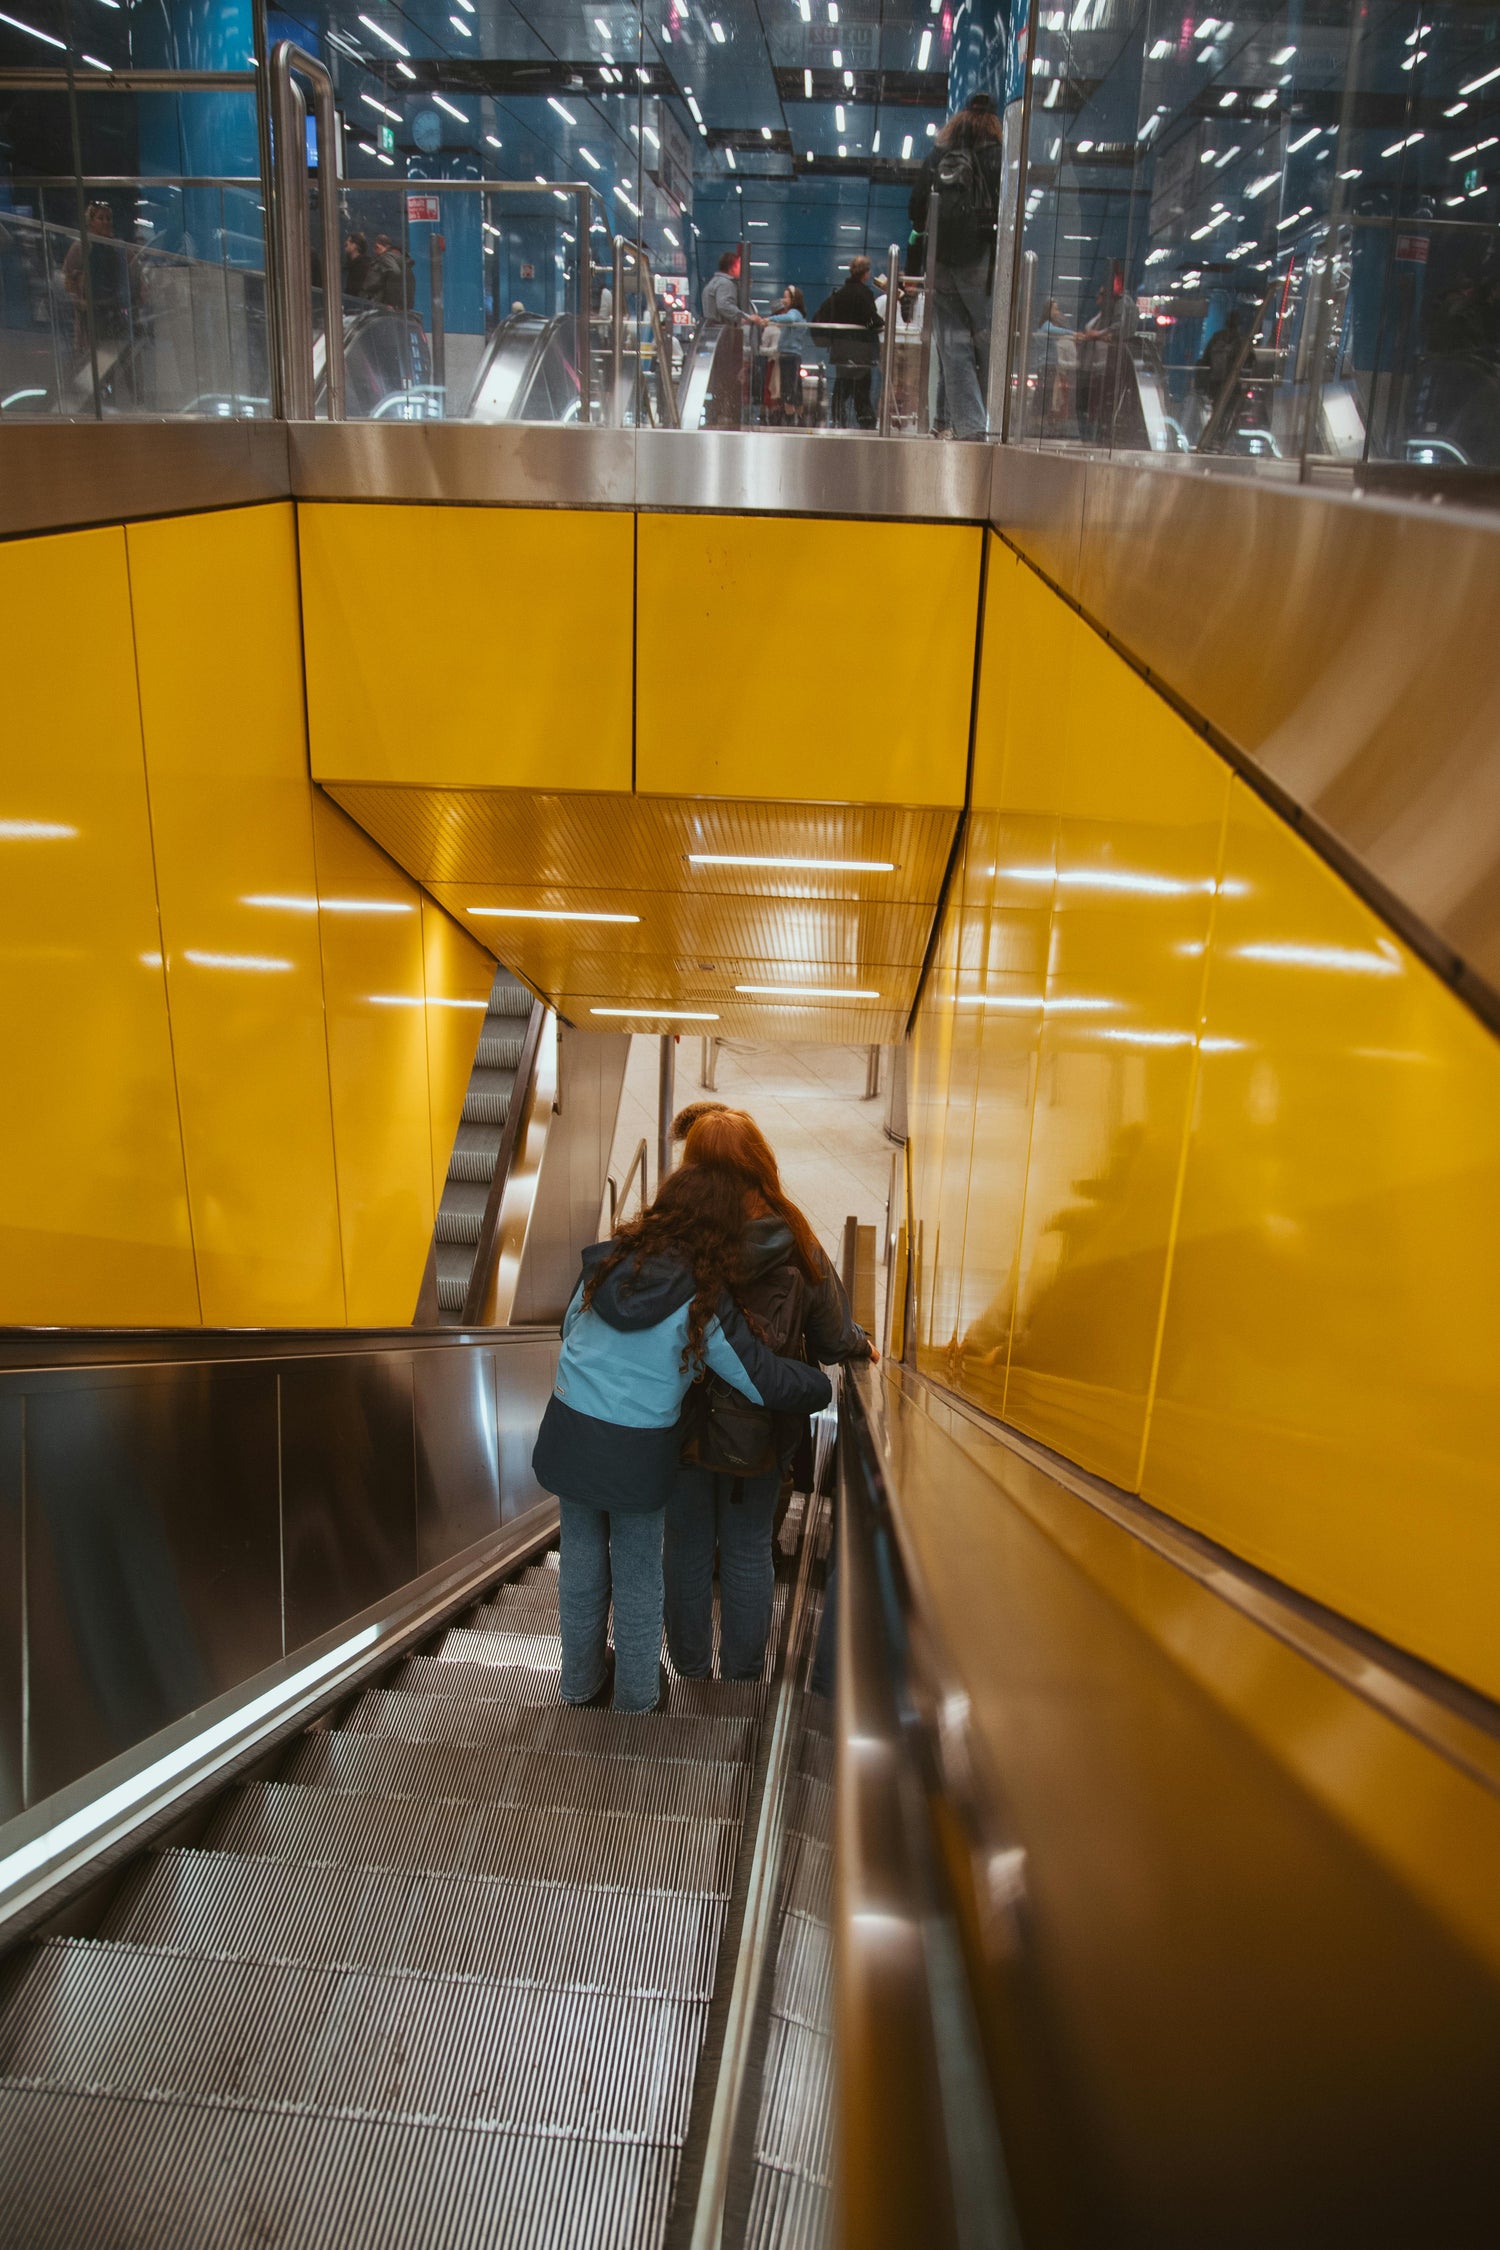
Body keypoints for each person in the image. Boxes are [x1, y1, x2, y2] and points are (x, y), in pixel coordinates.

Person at [532, 1162, 830, 1714]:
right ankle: (638, 1698)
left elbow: (569, 1331)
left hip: (570, 1434)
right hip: (639, 1455)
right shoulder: (700, 1297)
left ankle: (578, 1684)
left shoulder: (602, 1261)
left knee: (580, 1561)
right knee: (640, 1571)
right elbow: (757, 1376)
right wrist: (818, 1384)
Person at [664, 1108, 877, 1685]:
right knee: (748, 1550)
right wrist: (864, 1345)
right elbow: (834, 1340)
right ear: (760, 1162)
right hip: (758, 1436)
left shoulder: (674, 1236)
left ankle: (687, 1675)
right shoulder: (796, 1237)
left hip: (676, 1424)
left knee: (683, 1551)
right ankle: (739, 1683)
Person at [908, 91, 1005, 441]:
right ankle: (983, 422)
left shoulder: (939, 155)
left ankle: (970, 427)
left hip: (940, 263)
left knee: (953, 346)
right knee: (985, 342)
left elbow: (916, 206)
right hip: (983, 263)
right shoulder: (999, 157)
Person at [814, 255, 881, 429]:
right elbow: (873, 320)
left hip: (841, 350)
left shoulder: (839, 294)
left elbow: (821, 315)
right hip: (861, 351)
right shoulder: (865, 294)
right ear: (865, 274)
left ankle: (838, 420)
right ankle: (866, 424)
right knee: (861, 389)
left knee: (842, 385)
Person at [700, 247, 763, 428]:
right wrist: (745, 317)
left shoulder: (712, 283)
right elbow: (724, 305)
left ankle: (715, 414)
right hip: (725, 338)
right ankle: (727, 415)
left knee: (716, 381)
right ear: (733, 266)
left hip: (712, 336)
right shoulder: (726, 285)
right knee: (728, 381)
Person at [765, 283, 810, 425]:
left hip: (788, 355)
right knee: (795, 389)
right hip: (794, 355)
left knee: (788, 389)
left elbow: (789, 318)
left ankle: (790, 418)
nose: (783, 300)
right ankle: (799, 418)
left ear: (793, 299)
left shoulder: (794, 313)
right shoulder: (799, 314)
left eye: (786, 297)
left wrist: (770, 319)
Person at [370, 231, 415, 311]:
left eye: (374, 249)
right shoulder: (403, 260)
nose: (374, 252)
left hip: (391, 307)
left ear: (378, 246)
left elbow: (394, 273)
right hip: (405, 308)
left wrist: (391, 303)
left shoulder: (386, 257)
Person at [343, 231, 374, 301]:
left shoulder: (364, 266)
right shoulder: (351, 266)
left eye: (348, 242)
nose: (345, 244)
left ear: (355, 245)